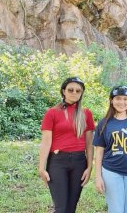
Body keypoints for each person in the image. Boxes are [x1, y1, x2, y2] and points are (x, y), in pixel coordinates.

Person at [38, 76, 95, 213]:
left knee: (71, 208)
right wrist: (41, 167)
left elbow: (89, 143)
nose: (74, 93)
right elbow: (46, 141)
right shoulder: (52, 113)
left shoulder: (86, 113)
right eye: (70, 90)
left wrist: (89, 166)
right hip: (58, 162)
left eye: (78, 91)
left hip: (79, 162)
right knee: (61, 208)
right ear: (63, 91)